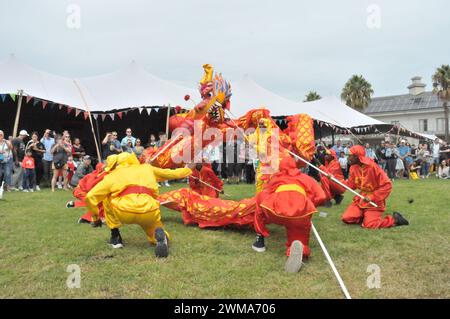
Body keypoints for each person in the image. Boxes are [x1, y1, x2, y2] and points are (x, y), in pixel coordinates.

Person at [85, 152, 192, 257]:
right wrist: (188, 169)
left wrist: (96, 218)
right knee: (154, 229)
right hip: (149, 209)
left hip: (124, 211)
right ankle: (161, 237)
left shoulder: (111, 176)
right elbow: (170, 174)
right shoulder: (147, 168)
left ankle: (115, 237)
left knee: (106, 198)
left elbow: (90, 196)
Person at [252, 156, 326, 273]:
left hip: (275, 212)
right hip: (299, 214)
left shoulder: (276, 178)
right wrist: (309, 205)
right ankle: (300, 249)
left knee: (260, 197)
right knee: (299, 237)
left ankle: (259, 240)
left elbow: (265, 192)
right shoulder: (307, 178)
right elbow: (322, 196)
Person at [341, 145, 409, 229]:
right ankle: (365, 216)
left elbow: (387, 185)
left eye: (350, 156)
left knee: (369, 225)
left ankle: (395, 220)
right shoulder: (353, 168)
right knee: (346, 218)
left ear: (356, 157)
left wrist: (372, 196)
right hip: (361, 199)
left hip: (374, 202)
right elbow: (351, 185)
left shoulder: (373, 167)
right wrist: (335, 180)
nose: (348, 158)